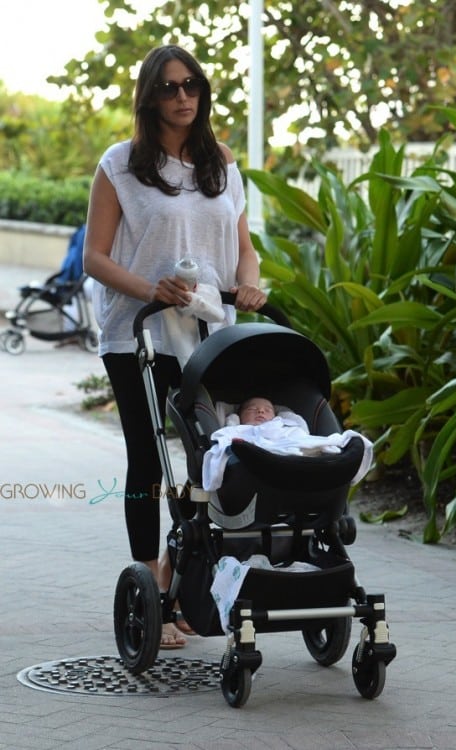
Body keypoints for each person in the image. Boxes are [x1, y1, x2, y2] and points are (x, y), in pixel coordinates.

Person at [83, 44, 267, 648]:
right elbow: (95, 258)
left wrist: (250, 281)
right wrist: (151, 290)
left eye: (191, 85)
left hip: (208, 335)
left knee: (203, 461)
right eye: (169, 87)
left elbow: (243, 246)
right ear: (149, 96)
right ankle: (148, 592)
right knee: (146, 459)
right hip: (138, 332)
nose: (183, 96)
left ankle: (176, 576)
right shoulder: (120, 165)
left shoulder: (222, 164)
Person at [202, 397, 374, 492]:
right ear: (239, 416)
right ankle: (277, 457)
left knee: (345, 441)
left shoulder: (287, 425)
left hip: (293, 448)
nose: (261, 411)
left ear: (276, 414)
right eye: (252, 409)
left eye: (267, 409)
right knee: (242, 448)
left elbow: (302, 437)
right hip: (255, 459)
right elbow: (222, 445)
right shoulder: (238, 429)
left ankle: (321, 459)